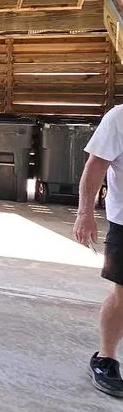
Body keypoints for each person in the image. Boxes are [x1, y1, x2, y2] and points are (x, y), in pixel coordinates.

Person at [74, 106, 123, 397]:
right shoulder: (119, 118)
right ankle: (106, 358)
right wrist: (85, 213)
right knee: (122, 295)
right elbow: (95, 166)